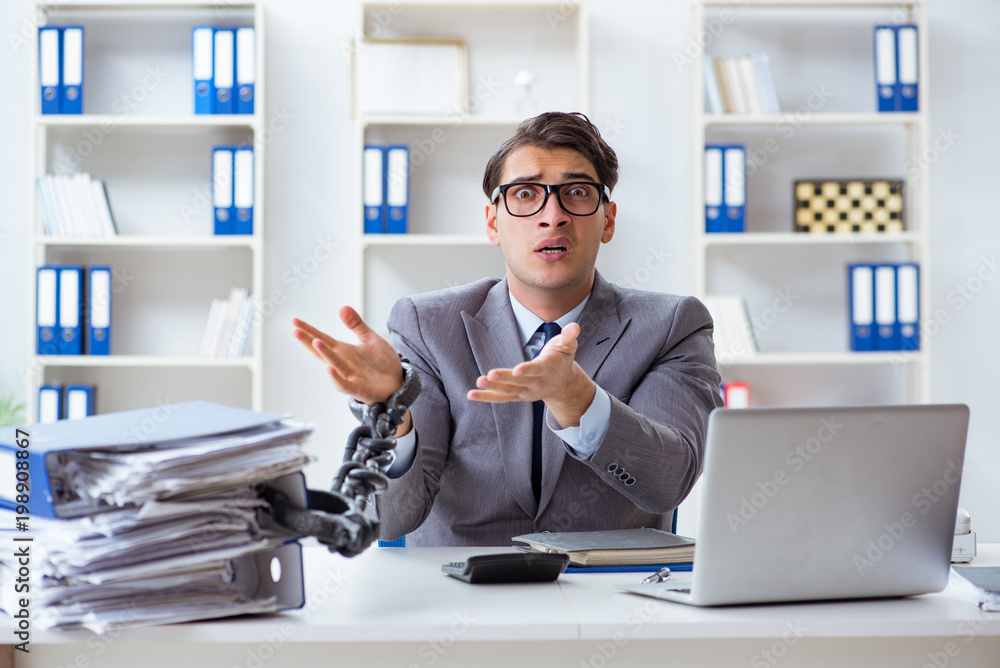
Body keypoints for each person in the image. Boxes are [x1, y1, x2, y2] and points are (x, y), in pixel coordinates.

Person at [293, 111, 722, 547]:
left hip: (612, 596)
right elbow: (391, 519)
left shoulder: (672, 326)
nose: (552, 216)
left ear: (607, 220)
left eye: (576, 192)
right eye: (524, 194)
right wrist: (394, 410)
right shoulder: (427, 327)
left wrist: (579, 399)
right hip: (461, 595)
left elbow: (669, 482)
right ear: (493, 223)